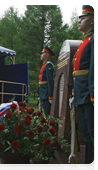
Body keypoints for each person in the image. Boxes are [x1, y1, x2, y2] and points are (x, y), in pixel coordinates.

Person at [73, 5, 96, 170]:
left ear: (93, 20)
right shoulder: (85, 41)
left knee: (93, 133)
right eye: (80, 18)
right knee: (86, 133)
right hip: (81, 93)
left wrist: (94, 94)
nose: (79, 20)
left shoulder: (94, 39)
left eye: (84, 17)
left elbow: (94, 69)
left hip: (89, 94)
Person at [39, 45, 55, 116]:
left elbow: (50, 81)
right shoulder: (44, 65)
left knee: (48, 113)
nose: (41, 55)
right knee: (45, 112)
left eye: (43, 53)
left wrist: (50, 95)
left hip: (46, 93)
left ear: (48, 55)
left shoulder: (49, 65)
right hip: (43, 91)